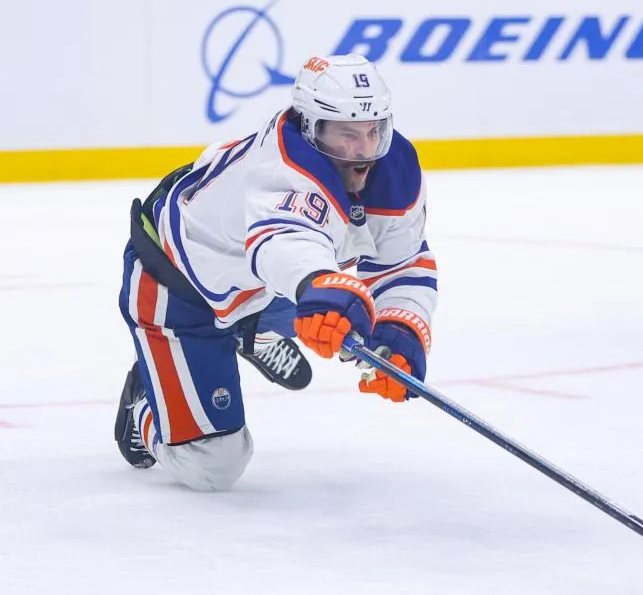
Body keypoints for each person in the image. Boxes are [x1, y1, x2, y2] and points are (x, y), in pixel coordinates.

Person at [114, 54, 438, 492]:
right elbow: (286, 243)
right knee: (213, 467)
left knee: (334, 307)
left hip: (264, 287)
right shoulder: (281, 169)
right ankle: (146, 401)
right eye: (347, 134)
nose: (364, 151)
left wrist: (400, 328)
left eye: (373, 131)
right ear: (311, 127)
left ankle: (253, 333)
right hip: (178, 285)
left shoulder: (394, 166)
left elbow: (403, 262)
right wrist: (326, 289)